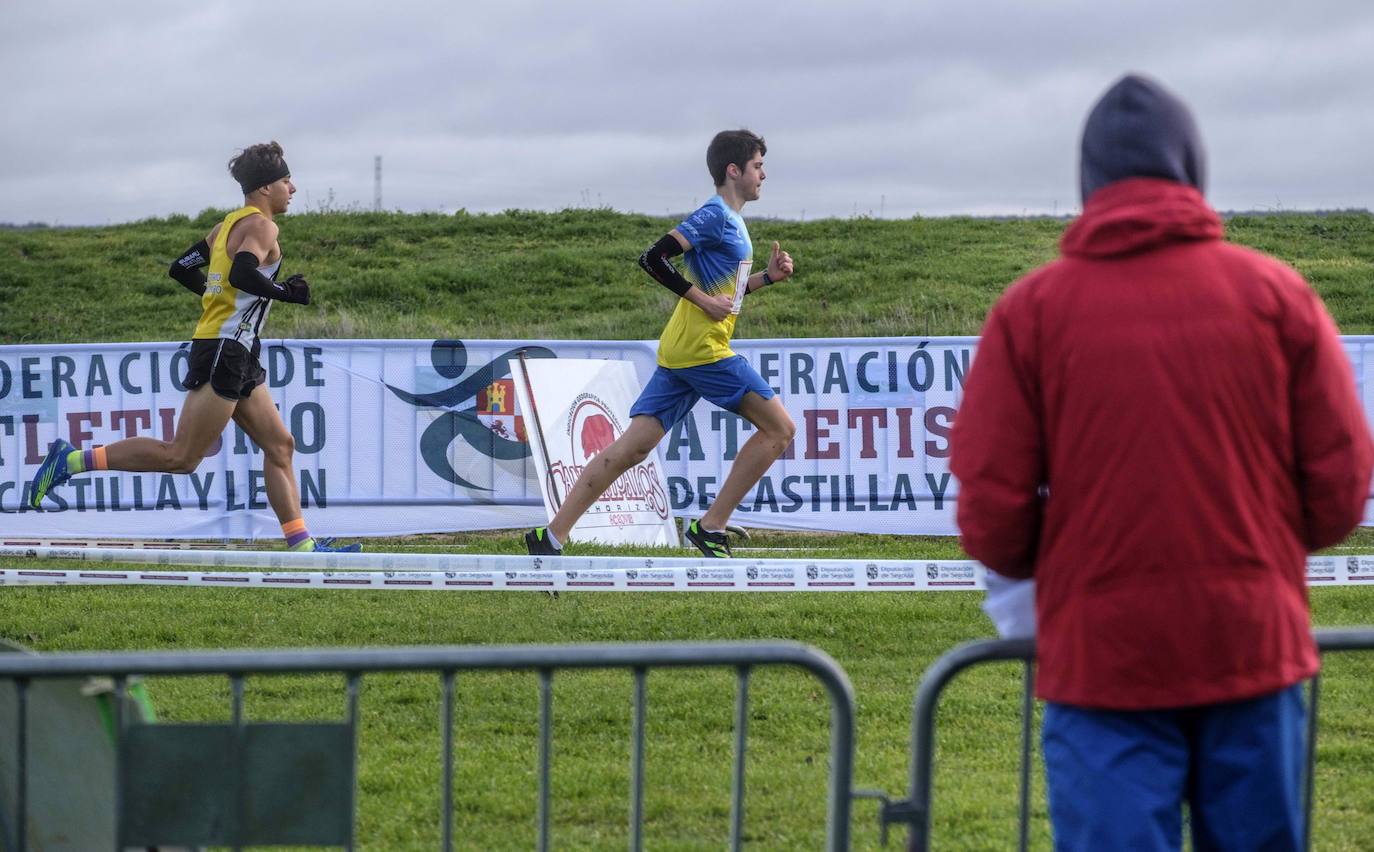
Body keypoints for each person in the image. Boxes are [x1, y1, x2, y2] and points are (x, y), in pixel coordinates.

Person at [949, 74, 1373, 850]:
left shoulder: (1031, 313)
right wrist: (1251, 551)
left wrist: (1071, 565)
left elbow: (991, 510)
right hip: (1253, 647)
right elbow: (1341, 489)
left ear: (1089, 182)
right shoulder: (1279, 296)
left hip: (1102, 661)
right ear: (1193, 167)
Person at [29, 141, 360, 553]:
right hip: (225, 350)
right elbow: (242, 273)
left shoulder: (224, 227)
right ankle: (70, 461)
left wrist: (216, 299)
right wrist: (287, 292)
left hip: (234, 348)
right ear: (264, 188)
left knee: (280, 445)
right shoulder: (262, 226)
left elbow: (181, 267)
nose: (292, 188)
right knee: (181, 458)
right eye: (286, 180)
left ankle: (303, 547)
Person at [524, 129, 796, 558]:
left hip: (680, 351)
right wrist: (703, 300)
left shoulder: (732, 221)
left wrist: (767, 279)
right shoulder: (715, 216)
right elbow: (653, 258)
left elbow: (726, 292)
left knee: (631, 449)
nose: (764, 174)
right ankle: (711, 527)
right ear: (734, 170)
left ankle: (550, 537)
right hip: (702, 351)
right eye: (758, 166)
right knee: (780, 429)